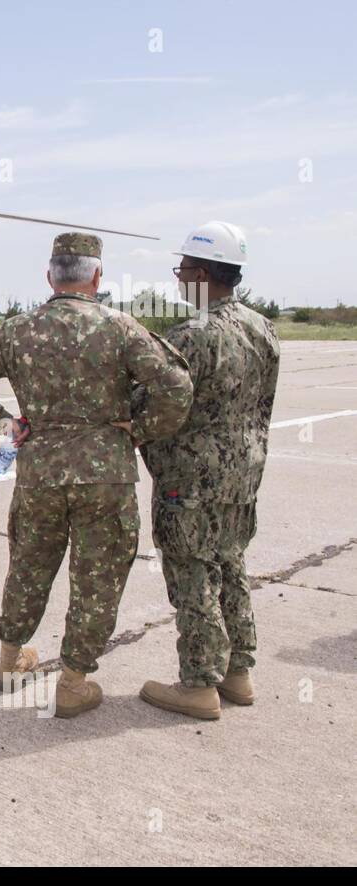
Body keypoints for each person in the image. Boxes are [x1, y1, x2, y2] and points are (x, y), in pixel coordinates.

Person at [0, 232, 192, 717]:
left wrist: (6, 424)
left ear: (50, 276)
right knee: (97, 577)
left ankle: (11, 660)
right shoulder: (121, 328)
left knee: (29, 565)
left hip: (39, 474)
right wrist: (140, 429)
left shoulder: (17, 330)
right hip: (106, 477)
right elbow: (176, 387)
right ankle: (74, 682)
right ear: (97, 277)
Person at [137, 221, 280, 720]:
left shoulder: (194, 336)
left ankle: (198, 684)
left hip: (190, 481)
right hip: (242, 477)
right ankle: (238, 674)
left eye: (182, 270)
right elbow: (262, 406)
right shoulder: (263, 329)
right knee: (231, 566)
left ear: (201, 272)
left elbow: (156, 404)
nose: (178, 279)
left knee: (194, 576)